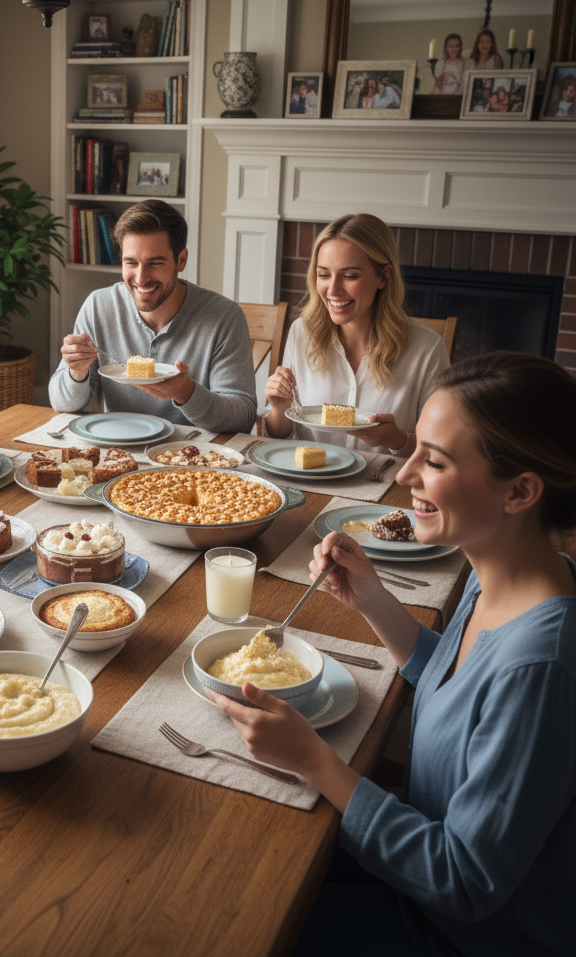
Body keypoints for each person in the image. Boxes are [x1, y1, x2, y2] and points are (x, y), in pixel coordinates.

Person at [214, 351, 576, 957]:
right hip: (412, 868)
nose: (405, 475)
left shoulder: (541, 669)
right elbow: (460, 683)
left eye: (432, 461)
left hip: (454, 933)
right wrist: (374, 602)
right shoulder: (513, 575)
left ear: (520, 492)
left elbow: (464, 881)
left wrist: (315, 761)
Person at [48, 199, 256, 434]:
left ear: (181, 260)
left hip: (193, 460)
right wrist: (76, 372)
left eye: (154, 263)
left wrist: (186, 392)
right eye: (131, 263)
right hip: (119, 451)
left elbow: (243, 417)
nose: (140, 278)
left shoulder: (224, 317)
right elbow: (61, 403)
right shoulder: (99, 306)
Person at [263, 213, 449, 454]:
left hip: (387, 486)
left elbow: (442, 451)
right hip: (312, 483)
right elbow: (280, 439)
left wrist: (397, 439)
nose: (333, 289)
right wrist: (279, 409)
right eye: (323, 274)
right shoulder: (302, 333)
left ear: (384, 277)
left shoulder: (427, 348)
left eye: (350, 276)